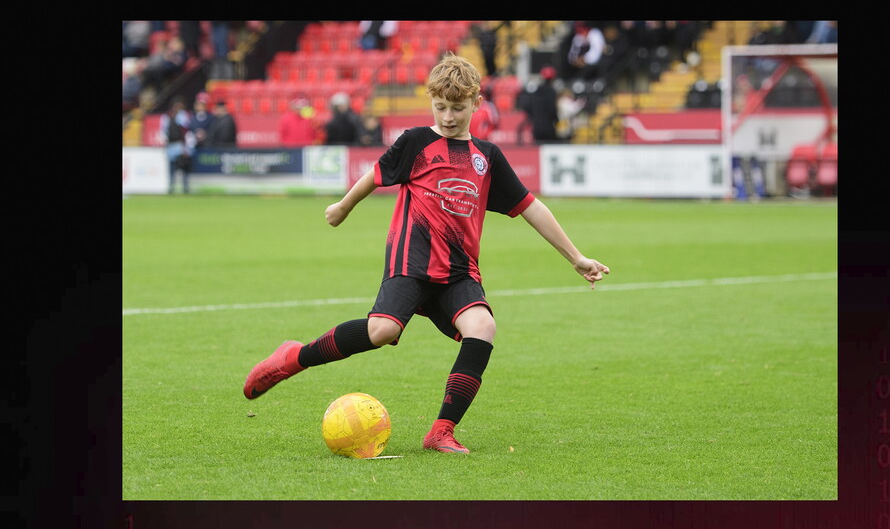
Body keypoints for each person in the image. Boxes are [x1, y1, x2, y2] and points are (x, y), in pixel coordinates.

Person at [242, 53, 609, 454]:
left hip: (458, 271)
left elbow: (530, 207)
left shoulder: (487, 158)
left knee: (483, 328)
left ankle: (441, 431)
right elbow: (376, 175)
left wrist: (576, 257)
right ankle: (294, 356)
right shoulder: (416, 142)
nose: (448, 116)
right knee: (382, 331)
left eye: (457, 108)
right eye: (440, 107)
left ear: (476, 104)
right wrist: (344, 206)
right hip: (411, 262)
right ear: (431, 102)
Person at [159, 97, 193, 194]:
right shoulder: (166, 117)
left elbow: (186, 130)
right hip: (171, 145)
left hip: (180, 144)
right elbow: (163, 131)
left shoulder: (183, 116)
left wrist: (186, 147)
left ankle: (185, 187)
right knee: (172, 168)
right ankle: (171, 187)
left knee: (183, 167)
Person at [520, 65, 560, 143]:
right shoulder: (551, 92)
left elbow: (527, 107)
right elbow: (552, 110)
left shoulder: (536, 91)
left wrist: (533, 117)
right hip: (549, 127)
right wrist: (557, 120)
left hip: (536, 127)